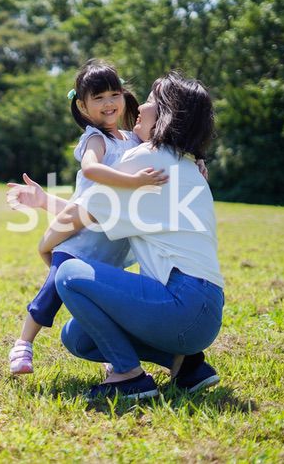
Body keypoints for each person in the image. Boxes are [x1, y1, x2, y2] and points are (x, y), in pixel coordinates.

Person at [34, 71, 224, 400]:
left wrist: (45, 247)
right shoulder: (187, 163)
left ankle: (128, 375)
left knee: (68, 274)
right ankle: (185, 364)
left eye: (150, 100)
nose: (140, 106)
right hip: (205, 311)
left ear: (166, 113)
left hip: (181, 303)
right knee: (78, 337)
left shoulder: (146, 158)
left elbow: (82, 212)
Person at [7, 59, 171, 375]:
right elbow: (90, 171)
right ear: (83, 107)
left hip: (110, 247)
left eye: (113, 94)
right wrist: (134, 181)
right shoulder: (95, 139)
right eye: (98, 98)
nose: (108, 103)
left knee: (105, 308)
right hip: (77, 242)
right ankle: (23, 344)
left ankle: (114, 358)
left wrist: (197, 161)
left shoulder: (134, 139)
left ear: (124, 95)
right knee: (51, 291)